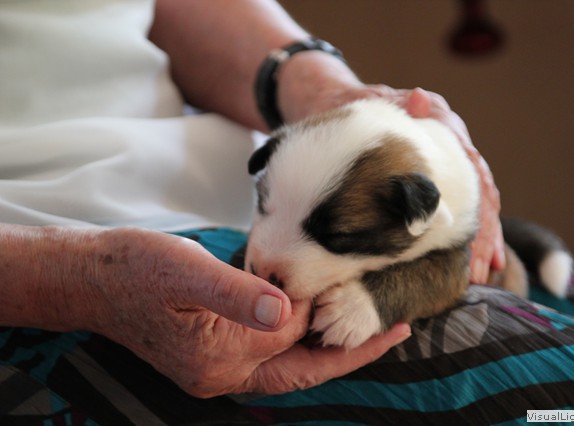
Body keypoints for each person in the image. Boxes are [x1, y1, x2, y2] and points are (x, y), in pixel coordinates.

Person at [0, 0, 503, 399]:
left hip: (202, 200)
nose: (269, 262)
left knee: (553, 334)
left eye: (333, 235)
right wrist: (71, 282)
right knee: (544, 393)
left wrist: (318, 91)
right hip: (42, 248)